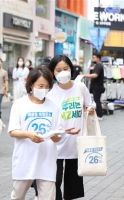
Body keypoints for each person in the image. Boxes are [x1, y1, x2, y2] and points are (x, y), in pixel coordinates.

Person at [8, 66, 63, 200]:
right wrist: (29, 134)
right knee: (18, 196)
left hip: (47, 160)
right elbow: (13, 131)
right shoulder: (20, 104)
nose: (43, 89)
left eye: (47, 86)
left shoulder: (54, 107)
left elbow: (58, 134)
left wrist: (56, 137)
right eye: (40, 85)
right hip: (25, 159)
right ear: (31, 85)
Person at [46, 55, 95, 200]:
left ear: (71, 69)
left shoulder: (80, 87)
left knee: (73, 185)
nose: (62, 72)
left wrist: (90, 109)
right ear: (52, 72)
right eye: (58, 70)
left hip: (76, 143)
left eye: (65, 69)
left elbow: (89, 105)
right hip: (55, 142)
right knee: (54, 182)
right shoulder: (50, 90)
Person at [84, 53, 105, 120]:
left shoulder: (99, 66)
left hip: (97, 87)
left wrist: (85, 75)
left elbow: (95, 75)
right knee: (96, 100)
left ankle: (99, 115)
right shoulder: (96, 66)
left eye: (94, 57)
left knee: (97, 101)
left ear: (98, 58)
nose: (93, 59)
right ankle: (99, 115)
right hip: (95, 86)